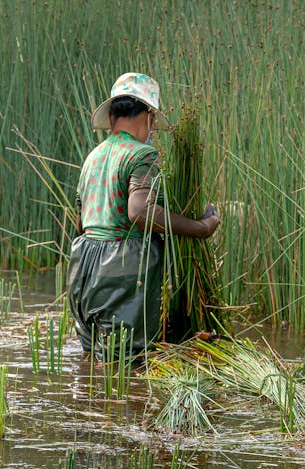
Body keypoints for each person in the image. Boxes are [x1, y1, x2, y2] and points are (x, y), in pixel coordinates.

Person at [67, 72, 221, 359]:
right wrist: (202, 226)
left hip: (82, 268)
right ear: (149, 116)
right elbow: (140, 211)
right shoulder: (142, 155)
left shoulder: (93, 156)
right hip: (118, 270)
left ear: (112, 115)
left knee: (94, 361)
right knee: (127, 362)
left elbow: (80, 221)